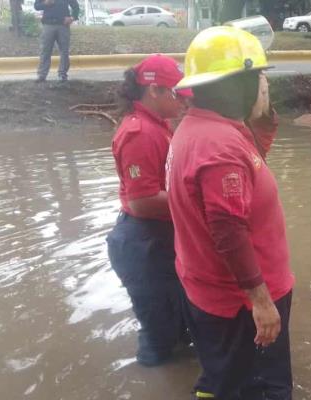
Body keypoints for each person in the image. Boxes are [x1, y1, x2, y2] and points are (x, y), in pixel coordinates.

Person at [167, 27, 294, 400]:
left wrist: (263, 114)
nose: (264, 84)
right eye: (258, 77)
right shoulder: (220, 147)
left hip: (209, 290)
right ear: (237, 82)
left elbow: (249, 173)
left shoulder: (200, 128)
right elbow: (227, 229)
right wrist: (261, 301)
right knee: (257, 388)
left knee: (223, 377)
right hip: (241, 303)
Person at [106, 54, 192, 367]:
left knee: (177, 320)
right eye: (176, 92)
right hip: (144, 243)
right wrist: (197, 201)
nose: (183, 100)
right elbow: (142, 201)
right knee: (159, 334)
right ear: (154, 91)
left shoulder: (158, 126)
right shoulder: (140, 132)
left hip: (156, 239)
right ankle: (155, 380)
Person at [34, 0, 79, 83]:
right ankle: (42, 75)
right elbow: (36, 6)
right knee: (45, 50)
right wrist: (45, 3)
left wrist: (72, 18)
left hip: (63, 25)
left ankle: (62, 74)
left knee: (64, 51)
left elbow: (75, 6)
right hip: (48, 25)